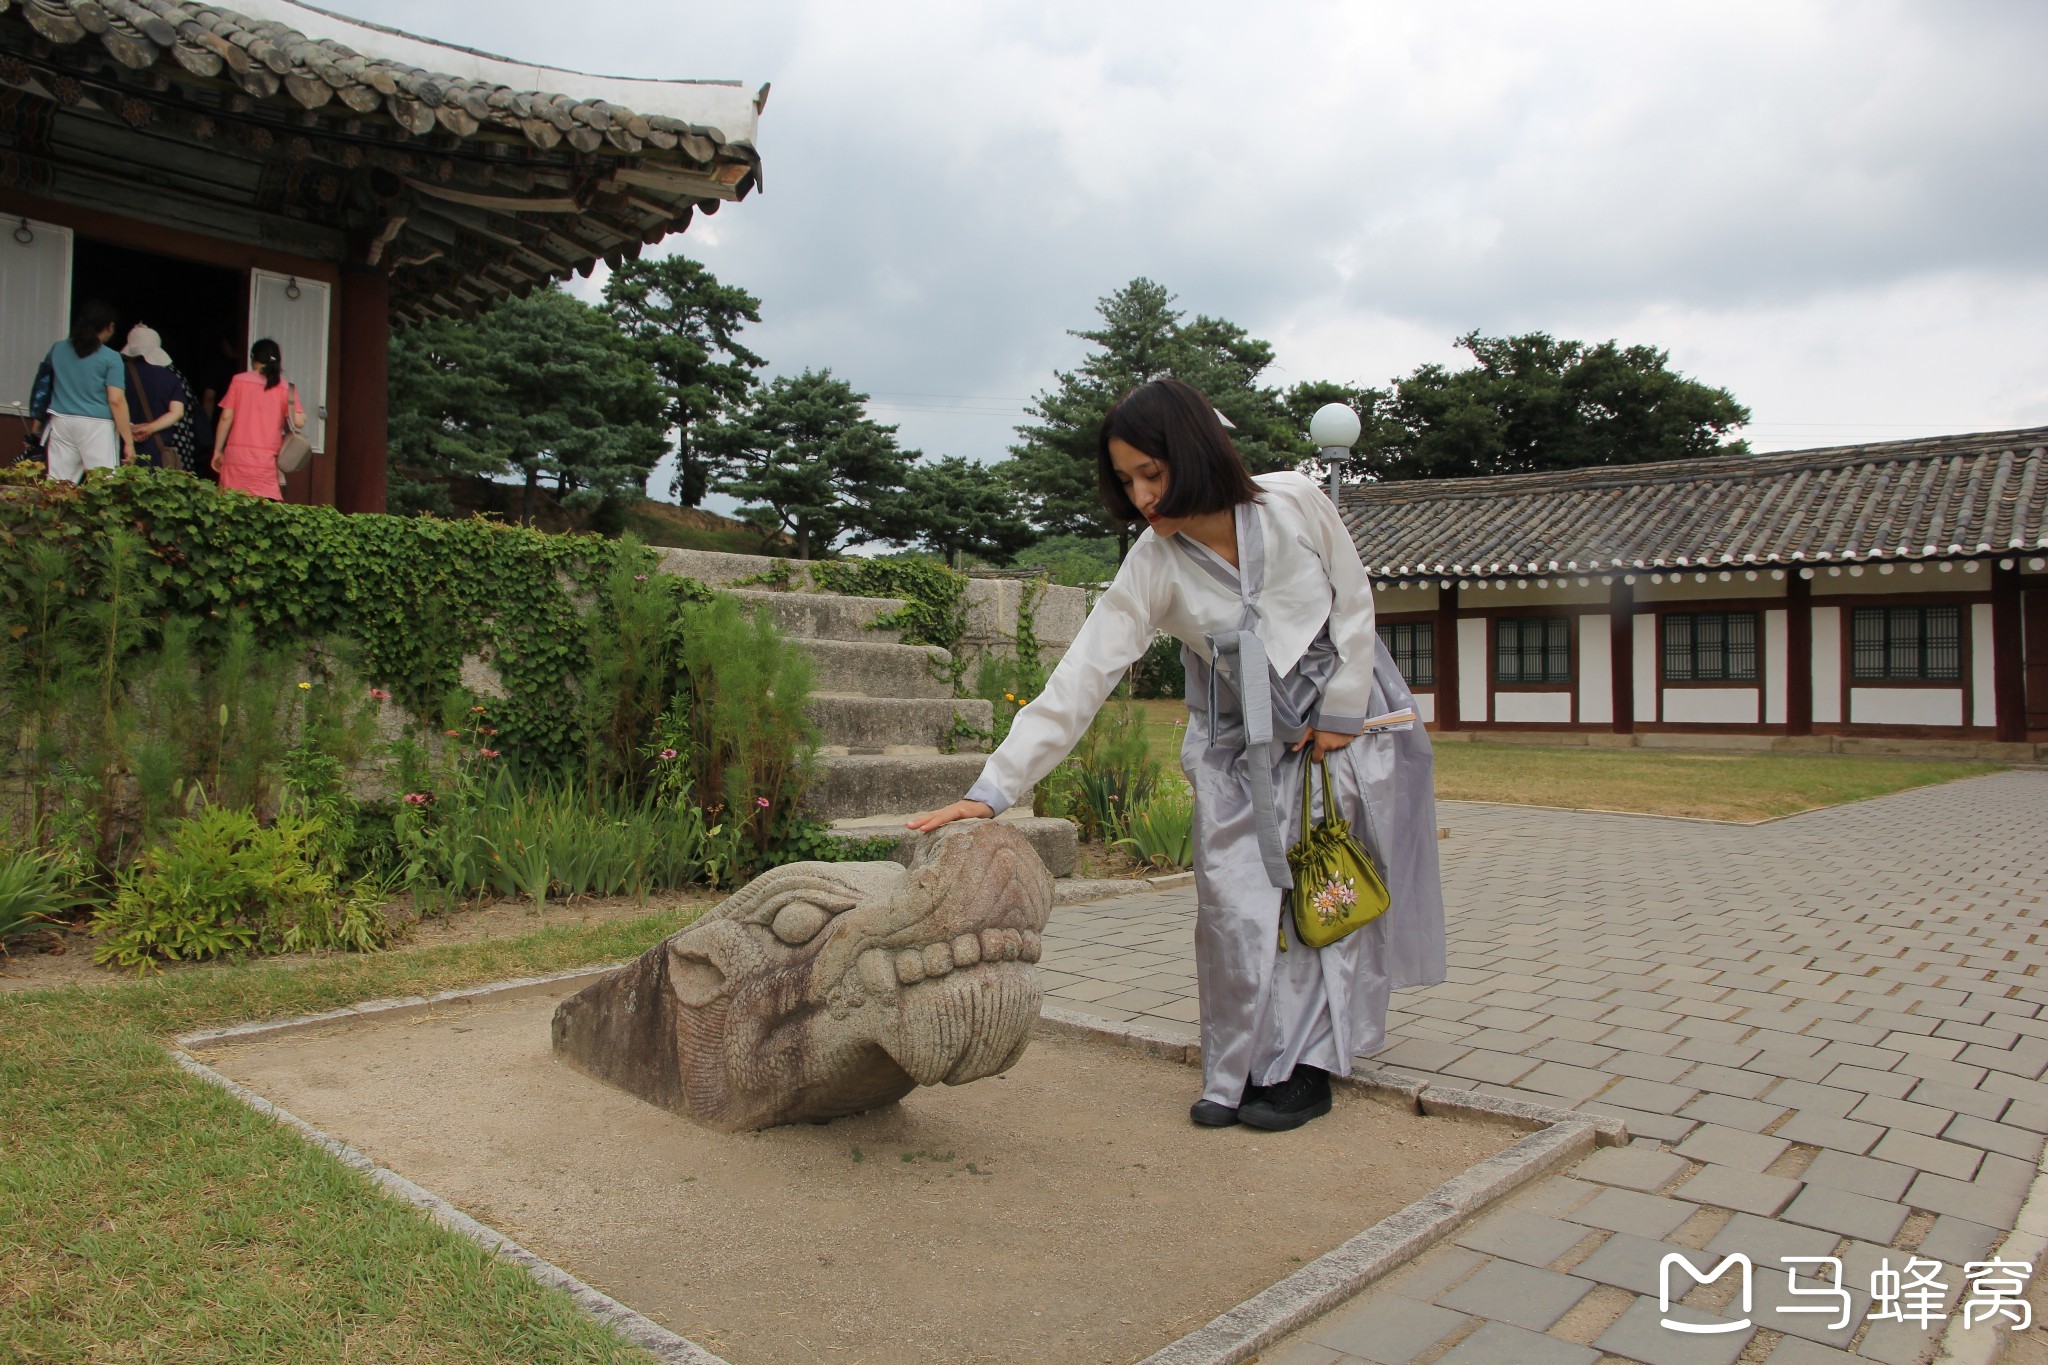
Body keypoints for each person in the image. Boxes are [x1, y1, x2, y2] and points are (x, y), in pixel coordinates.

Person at [908, 378, 1446, 1132]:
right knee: (1234, 905)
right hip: (1239, 747)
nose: (1141, 496)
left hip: (1337, 730)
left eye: (1152, 474)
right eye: (1126, 480)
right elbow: (1082, 676)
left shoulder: (1293, 501)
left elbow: (1354, 599)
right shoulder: (1153, 565)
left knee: (1324, 888)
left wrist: (1342, 709)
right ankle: (1241, 1066)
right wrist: (995, 787)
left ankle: (1309, 1063)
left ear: (1192, 452)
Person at [40, 300, 137, 481]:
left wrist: (37, 425)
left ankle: (55, 509)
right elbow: (116, 400)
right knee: (104, 483)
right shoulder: (111, 358)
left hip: (61, 420)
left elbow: (43, 386)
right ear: (110, 327)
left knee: (58, 483)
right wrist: (129, 442)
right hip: (96, 425)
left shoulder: (58, 349)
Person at [212, 338, 304, 500]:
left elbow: (226, 417)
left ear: (253, 358)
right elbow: (299, 422)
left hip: (236, 458)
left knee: (230, 508)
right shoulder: (286, 388)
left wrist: (218, 451)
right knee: (260, 515)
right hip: (265, 462)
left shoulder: (239, 380)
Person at [119, 324, 199, 472]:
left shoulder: (117, 373)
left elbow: (113, 403)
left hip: (122, 444)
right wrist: (149, 428)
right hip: (156, 446)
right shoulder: (170, 378)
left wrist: (129, 428)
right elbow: (177, 412)